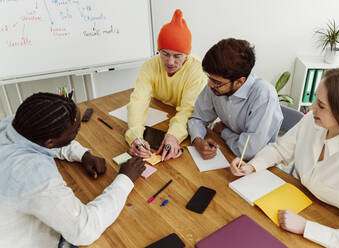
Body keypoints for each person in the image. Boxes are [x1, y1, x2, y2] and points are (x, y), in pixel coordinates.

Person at [230, 67, 339, 247]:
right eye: (315, 99)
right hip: (294, 204)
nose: (311, 108)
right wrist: (252, 166)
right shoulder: (311, 122)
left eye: (321, 105)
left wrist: (306, 227)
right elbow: (281, 149)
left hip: (330, 228)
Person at [0, 93, 145, 248]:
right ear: (50, 142)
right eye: (74, 132)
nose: (77, 135)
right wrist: (125, 179)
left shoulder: (13, 124)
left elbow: (40, 141)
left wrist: (83, 155)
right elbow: (84, 231)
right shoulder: (34, 175)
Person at [125, 9, 207, 161]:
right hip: (160, 112)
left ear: (187, 55)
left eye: (177, 56)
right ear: (159, 51)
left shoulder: (197, 69)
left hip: (182, 120)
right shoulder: (150, 65)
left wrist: (174, 135)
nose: (170, 62)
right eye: (165, 54)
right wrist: (134, 134)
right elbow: (138, 101)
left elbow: (188, 109)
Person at [188, 38, 283, 160]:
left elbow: (249, 151)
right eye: (209, 78)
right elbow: (198, 117)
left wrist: (224, 132)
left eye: (216, 82)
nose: (210, 85)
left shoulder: (264, 96)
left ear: (239, 82)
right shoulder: (216, 85)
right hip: (227, 152)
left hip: (259, 164)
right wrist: (197, 140)